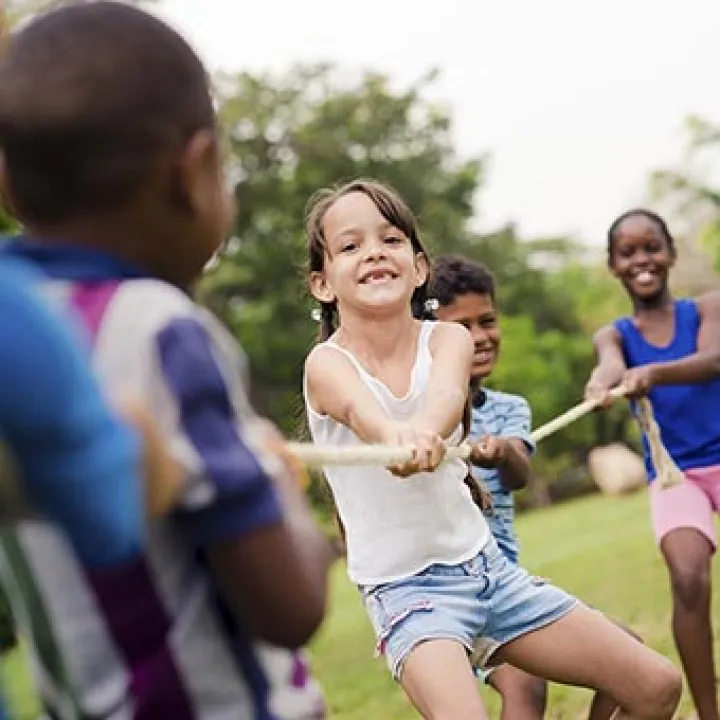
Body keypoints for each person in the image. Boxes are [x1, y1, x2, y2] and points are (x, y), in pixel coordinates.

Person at [0, 3, 331, 718]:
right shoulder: (163, 329)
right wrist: (277, 482)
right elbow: (289, 608)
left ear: (10, 187)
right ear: (195, 170)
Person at [303, 178, 681, 720]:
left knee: (656, 686)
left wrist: (425, 433)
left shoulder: (448, 340)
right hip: (408, 594)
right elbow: (364, 413)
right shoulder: (327, 364)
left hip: (488, 571)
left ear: (418, 267)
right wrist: (395, 439)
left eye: (390, 240)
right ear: (323, 283)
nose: (373, 254)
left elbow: (446, 397)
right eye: (350, 246)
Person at [585, 208, 720, 720]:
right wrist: (605, 381)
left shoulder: (707, 308)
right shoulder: (615, 335)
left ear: (670, 254)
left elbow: (713, 359)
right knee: (688, 577)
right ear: (613, 265)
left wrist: (651, 374)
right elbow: (611, 363)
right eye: (628, 252)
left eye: (651, 247)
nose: (642, 259)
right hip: (673, 475)